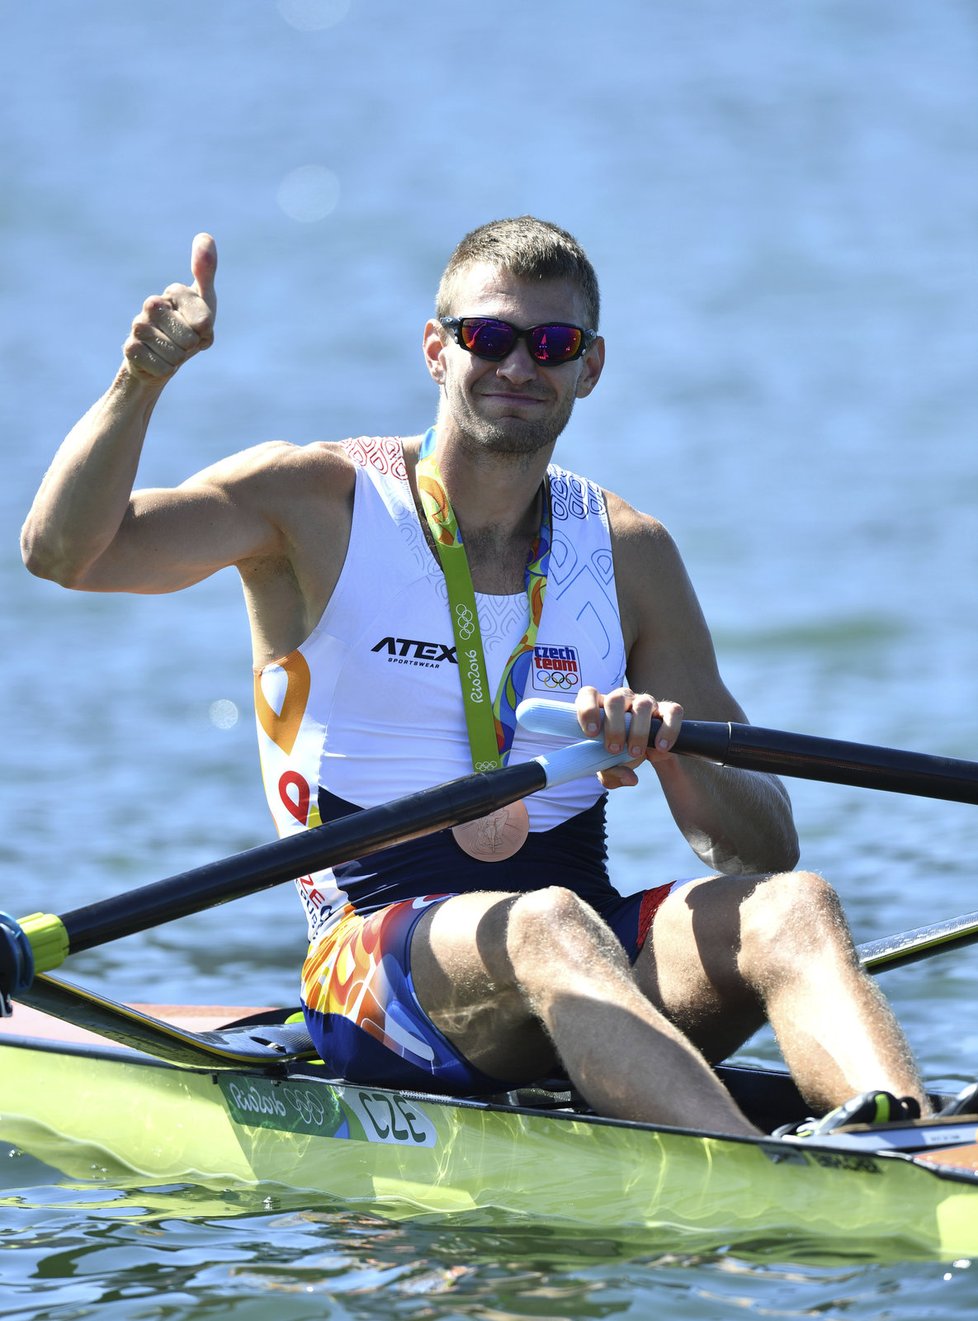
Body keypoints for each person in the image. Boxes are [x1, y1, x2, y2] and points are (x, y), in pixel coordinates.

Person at [22, 217, 928, 1136]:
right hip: (370, 966)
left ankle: (915, 1148)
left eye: (553, 343)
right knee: (549, 922)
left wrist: (671, 755)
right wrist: (142, 380)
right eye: (489, 337)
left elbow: (764, 845)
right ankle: (757, 1180)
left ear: (591, 366)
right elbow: (65, 554)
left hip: (577, 951)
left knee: (796, 909)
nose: (519, 365)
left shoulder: (628, 553)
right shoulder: (315, 503)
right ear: (436, 349)